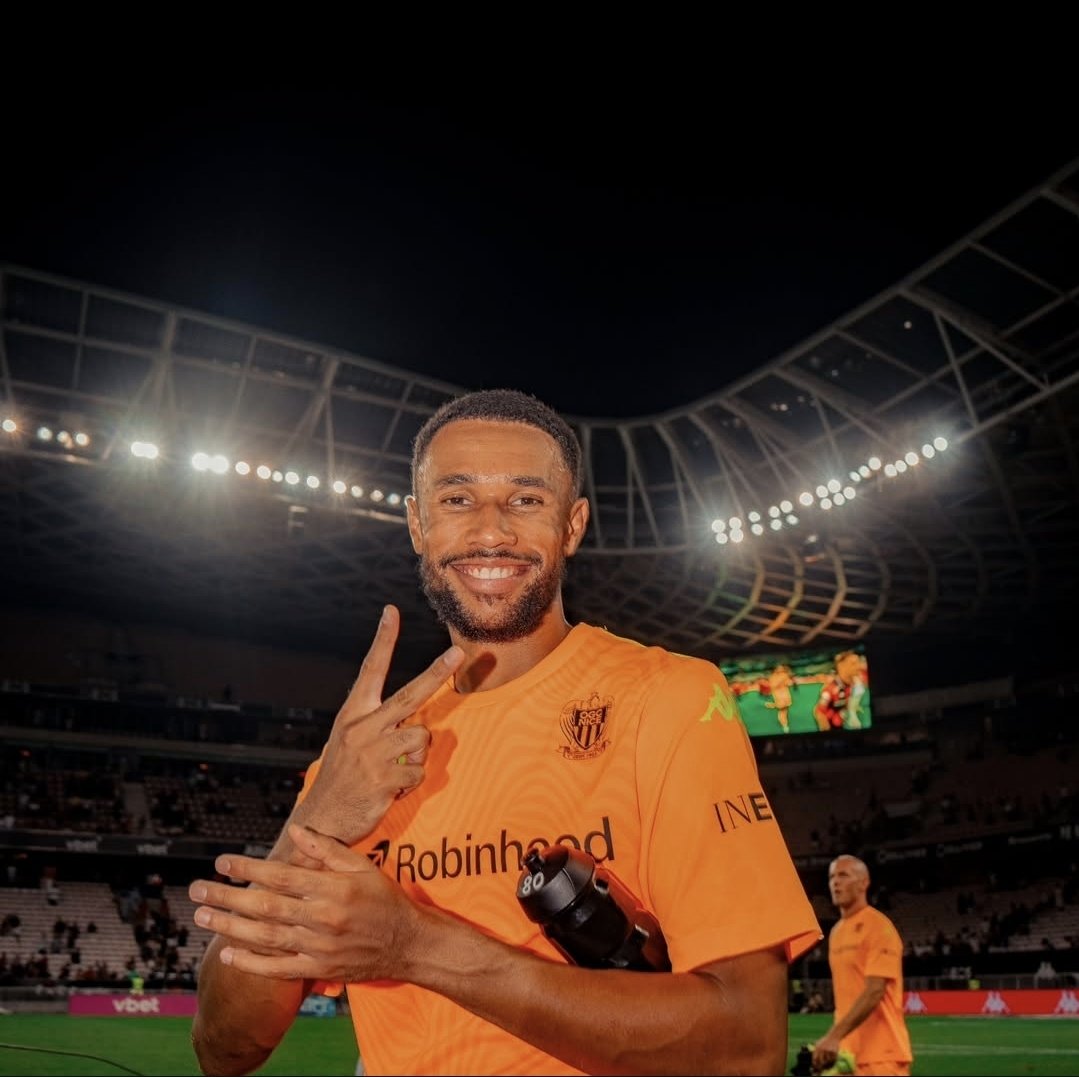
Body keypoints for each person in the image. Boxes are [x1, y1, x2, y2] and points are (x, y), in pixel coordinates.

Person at [189, 388, 822, 1076]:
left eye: (524, 499)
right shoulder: (365, 755)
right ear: (416, 524)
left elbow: (747, 1046)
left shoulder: (670, 698)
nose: (490, 532)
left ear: (572, 525)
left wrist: (415, 945)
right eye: (457, 499)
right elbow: (226, 1048)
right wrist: (316, 815)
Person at [812, 855, 913, 1077]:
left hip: (882, 1057)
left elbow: (875, 990)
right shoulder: (837, 933)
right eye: (831, 877)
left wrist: (834, 1036)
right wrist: (838, 1042)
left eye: (843, 875)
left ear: (863, 883)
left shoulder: (879, 928)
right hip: (847, 1056)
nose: (835, 882)